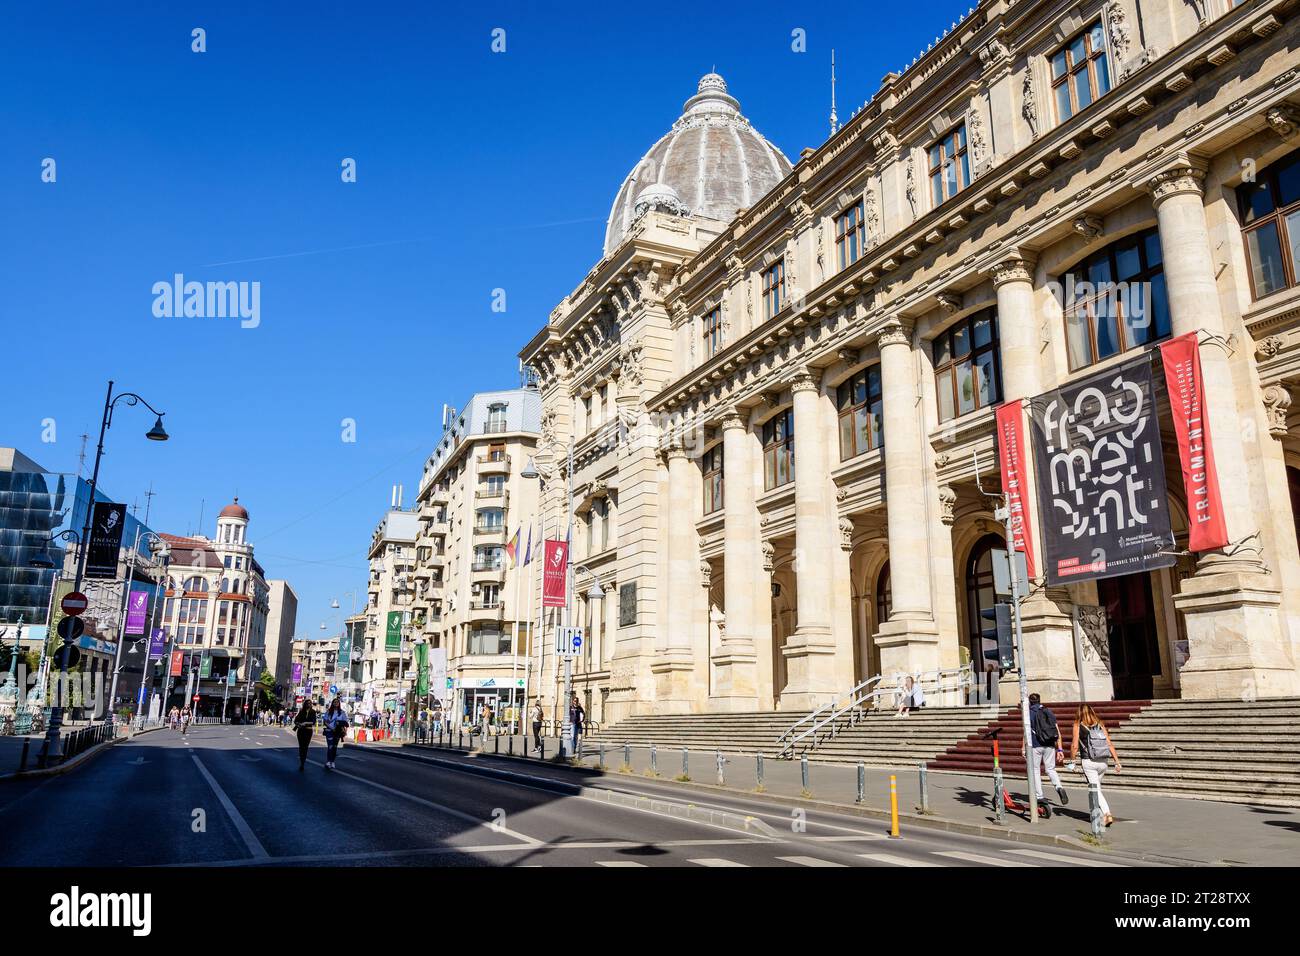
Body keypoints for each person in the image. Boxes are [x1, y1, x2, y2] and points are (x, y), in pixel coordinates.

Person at [1070, 704, 1121, 827]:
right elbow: (1109, 743)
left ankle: (1107, 813)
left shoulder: (1077, 725)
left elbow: (1075, 745)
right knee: (1097, 788)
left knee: (1095, 789)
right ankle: (1098, 815)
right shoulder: (1100, 724)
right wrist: (1117, 761)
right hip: (1103, 761)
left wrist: (1072, 761)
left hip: (1089, 761)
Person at [1027, 692, 1068, 806]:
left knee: (1035, 770)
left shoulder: (1029, 713)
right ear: (1040, 700)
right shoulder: (1048, 711)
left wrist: (1022, 747)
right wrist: (1060, 749)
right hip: (1050, 744)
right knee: (1050, 769)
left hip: (1035, 745)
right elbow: (1057, 731)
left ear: (1030, 701)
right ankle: (1059, 787)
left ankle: (1039, 796)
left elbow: (1027, 732)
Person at [322, 698, 349, 770]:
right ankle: (328, 761)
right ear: (332, 703)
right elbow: (325, 721)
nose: (336, 703)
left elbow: (346, 722)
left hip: (338, 731)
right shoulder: (328, 712)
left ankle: (332, 761)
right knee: (330, 746)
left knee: (334, 747)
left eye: (337, 702)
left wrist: (341, 725)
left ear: (339, 703)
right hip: (329, 730)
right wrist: (331, 727)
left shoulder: (342, 712)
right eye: (334, 702)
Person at [293, 699, 318, 771]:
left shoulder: (313, 712)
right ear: (305, 704)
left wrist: (305, 723)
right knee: (301, 747)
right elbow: (296, 720)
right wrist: (298, 724)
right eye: (307, 703)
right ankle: (301, 761)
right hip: (301, 731)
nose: (309, 704)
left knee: (305, 747)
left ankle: (303, 762)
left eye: (310, 703)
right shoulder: (301, 711)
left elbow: (313, 722)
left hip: (308, 731)